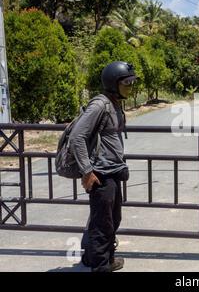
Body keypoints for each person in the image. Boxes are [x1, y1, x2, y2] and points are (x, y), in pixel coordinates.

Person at [69, 61, 138, 272]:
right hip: (100, 173)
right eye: (127, 82)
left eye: (132, 82)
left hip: (113, 171)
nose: (130, 86)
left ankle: (100, 259)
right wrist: (87, 171)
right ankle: (101, 266)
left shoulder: (115, 102)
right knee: (102, 224)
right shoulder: (100, 105)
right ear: (113, 83)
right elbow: (77, 137)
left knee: (112, 219)